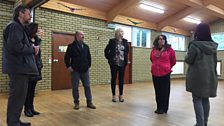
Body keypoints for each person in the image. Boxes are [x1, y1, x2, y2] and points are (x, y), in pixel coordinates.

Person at [2, 5, 39, 126]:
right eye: (29, 14)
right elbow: (15, 47)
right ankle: (13, 123)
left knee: (19, 97)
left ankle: (16, 120)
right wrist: (32, 49)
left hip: (20, 68)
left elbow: (18, 44)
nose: (30, 16)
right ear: (21, 14)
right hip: (18, 68)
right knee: (17, 97)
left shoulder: (18, 27)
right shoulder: (14, 26)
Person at [185, 23, 218, 126]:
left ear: (197, 32)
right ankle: (204, 122)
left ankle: (199, 123)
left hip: (197, 77)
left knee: (197, 99)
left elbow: (189, 60)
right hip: (210, 76)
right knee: (205, 98)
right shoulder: (213, 46)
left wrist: (186, 54)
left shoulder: (195, 45)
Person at [64, 31, 96, 110]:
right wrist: (69, 66)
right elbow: (66, 58)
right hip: (75, 70)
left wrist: (88, 65)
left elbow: (89, 57)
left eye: (83, 35)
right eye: (81, 35)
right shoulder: (71, 46)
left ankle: (89, 102)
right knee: (75, 87)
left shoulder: (86, 46)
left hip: (85, 69)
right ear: (77, 36)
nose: (83, 36)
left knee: (87, 86)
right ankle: (76, 102)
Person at [150, 35, 176, 114]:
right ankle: (159, 107)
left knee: (165, 91)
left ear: (165, 40)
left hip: (165, 73)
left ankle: (164, 108)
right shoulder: (154, 50)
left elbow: (173, 61)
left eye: (163, 39)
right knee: (157, 91)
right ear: (157, 41)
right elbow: (151, 59)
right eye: (159, 39)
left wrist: (167, 67)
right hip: (155, 73)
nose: (161, 40)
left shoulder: (169, 50)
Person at [23, 23, 43, 117]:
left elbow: (38, 55)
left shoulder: (37, 40)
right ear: (33, 29)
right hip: (28, 68)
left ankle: (31, 108)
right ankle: (27, 109)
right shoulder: (25, 39)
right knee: (27, 90)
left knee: (32, 90)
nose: (39, 30)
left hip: (36, 67)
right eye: (37, 29)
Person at [104, 28, 129, 102]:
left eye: (123, 32)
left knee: (121, 80)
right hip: (114, 63)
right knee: (113, 79)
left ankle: (121, 95)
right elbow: (106, 50)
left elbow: (127, 51)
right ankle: (113, 95)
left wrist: (126, 60)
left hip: (122, 63)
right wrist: (109, 58)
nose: (122, 33)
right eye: (121, 31)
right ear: (117, 33)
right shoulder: (112, 41)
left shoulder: (125, 42)